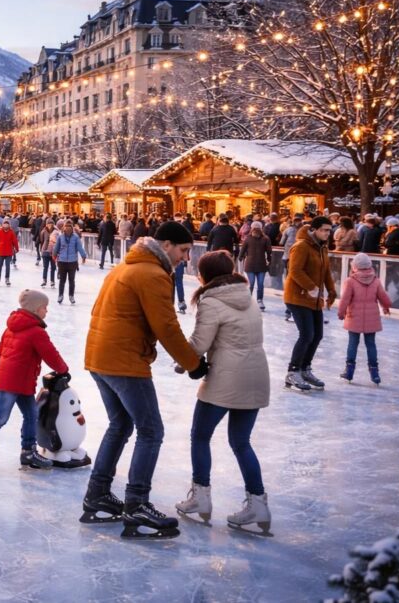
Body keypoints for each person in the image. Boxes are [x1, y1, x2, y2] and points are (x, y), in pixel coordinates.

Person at [81, 221, 207, 540]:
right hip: (124, 362)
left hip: (101, 357)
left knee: (120, 425)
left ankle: (97, 494)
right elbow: (166, 327)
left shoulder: (126, 266)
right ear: (165, 245)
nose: (185, 258)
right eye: (183, 250)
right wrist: (193, 363)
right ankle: (137, 502)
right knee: (151, 431)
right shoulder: (151, 274)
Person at [174, 251, 272, 536]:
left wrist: (182, 363)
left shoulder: (211, 301)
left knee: (200, 435)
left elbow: (199, 343)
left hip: (225, 378)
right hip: (255, 375)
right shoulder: (247, 295)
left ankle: (200, 497)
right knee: (241, 442)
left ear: (206, 275)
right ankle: (258, 502)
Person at [0, 289, 70, 475]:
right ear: (36, 309)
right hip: (12, 381)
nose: (46, 311)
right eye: (44, 308)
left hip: (16, 379)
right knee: (1, 415)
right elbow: (50, 354)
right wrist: (63, 369)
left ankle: (28, 451)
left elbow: (0, 351)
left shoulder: (11, 327)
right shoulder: (35, 331)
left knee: (31, 414)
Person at [283, 216, 336, 391]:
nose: (328, 233)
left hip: (314, 300)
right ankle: (293, 371)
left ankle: (305, 368)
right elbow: (295, 271)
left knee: (317, 335)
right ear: (314, 230)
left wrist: (331, 290)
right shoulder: (301, 246)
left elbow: (326, 271)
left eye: (329, 230)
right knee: (306, 335)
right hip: (297, 297)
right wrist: (311, 287)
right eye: (324, 230)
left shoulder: (322, 248)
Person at [337, 253, 392, 385]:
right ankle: (375, 373)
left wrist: (341, 312)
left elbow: (345, 299)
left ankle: (349, 371)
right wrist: (386, 307)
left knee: (352, 344)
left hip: (353, 318)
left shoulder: (350, 281)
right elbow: (384, 298)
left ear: (354, 266)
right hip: (371, 319)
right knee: (371, 344)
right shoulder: (376, 281)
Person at [239, 221, 271, 311]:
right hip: (250, 265)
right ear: (252, 228)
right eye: (254, 228)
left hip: (261, 265)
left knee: (260, 284)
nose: (256, 230)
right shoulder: (248, 239)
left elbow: (269, 251)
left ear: (260, 229)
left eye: (258, 228)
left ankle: (259, 300)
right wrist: (240, 257)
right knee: (251, 283)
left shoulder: (265, 239)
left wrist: (269, 259)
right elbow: (243, 249)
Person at [53, 219, 86, 304]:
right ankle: (60, 295)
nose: (68, 228)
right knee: (62, 280)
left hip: (72, 262)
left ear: (72, 228)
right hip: (62, 262)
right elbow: (56, 247)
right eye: (66, 227)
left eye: (69, 227)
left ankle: (71, 296)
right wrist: (54, 255)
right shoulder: (60, 237)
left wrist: (83, 256)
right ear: (64, 227)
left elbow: (79, 247)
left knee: (71, 280)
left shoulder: (75, 237)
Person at [279, 215, 303, 320]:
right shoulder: (304, 231)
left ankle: (289, 310)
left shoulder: (288, 230)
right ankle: (291, 310)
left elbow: (281, 242)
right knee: (296, 283)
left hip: (288, 257)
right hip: (297, 259)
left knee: (291, 282)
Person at [0, 219, 18, 286]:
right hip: (1, 252)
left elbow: (15, 241)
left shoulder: (11, 232)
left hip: (9, 252)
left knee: (7, 265)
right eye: (4, 225)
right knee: (0, 265)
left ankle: (7, 279)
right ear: (3, 225)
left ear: (9, 226)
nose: (5, 227)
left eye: (7, 225)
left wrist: (17, 248)